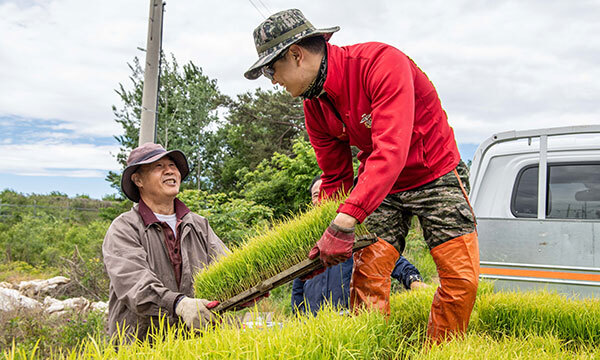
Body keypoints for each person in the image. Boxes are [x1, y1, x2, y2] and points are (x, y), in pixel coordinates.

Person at [245, 9, 479, 343]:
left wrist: (347, 220)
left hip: (434, 172)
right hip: (379, 186)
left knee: (460, 279)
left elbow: (391, 150)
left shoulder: (381, 63)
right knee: (368, 276)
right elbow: (334, 180)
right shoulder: (314, 106)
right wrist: (299, 256)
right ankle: (369, 347)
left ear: (296, 55)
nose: (274, 81)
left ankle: (441, 349)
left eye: (272, 70)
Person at [102, 143, 228, 343]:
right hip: (141, 346)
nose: (170, 170)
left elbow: (227, 267)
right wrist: (178, 304)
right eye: (158, 166)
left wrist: (249, 287)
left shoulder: (198, 225)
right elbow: (134, 285)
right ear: (138, 180)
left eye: (172, 165)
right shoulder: (125, 228)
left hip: (196, 344)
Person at [292, 175, 427, 315]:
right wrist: (299, 315)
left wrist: (412, 280)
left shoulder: (354, 230)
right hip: (313, 322)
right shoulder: (306, 240)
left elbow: (385, 256)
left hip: (350, 319)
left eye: (326, 192)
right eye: (316, 195)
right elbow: (298, 285)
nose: (322, 198)